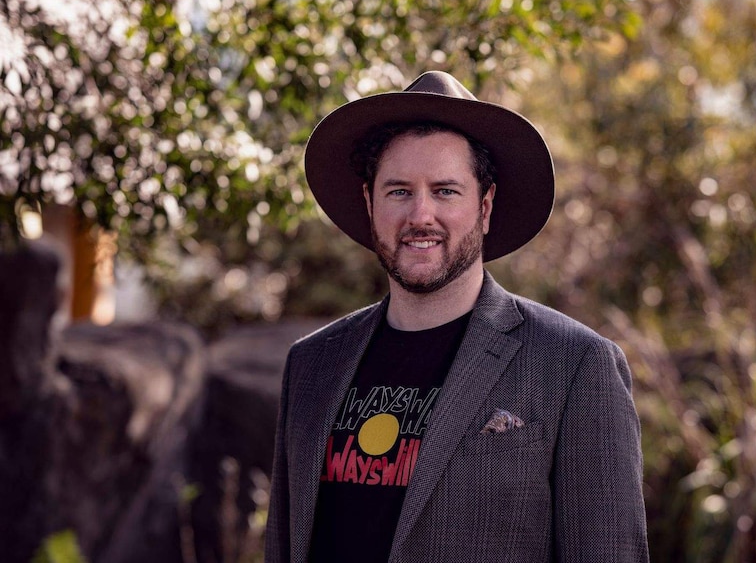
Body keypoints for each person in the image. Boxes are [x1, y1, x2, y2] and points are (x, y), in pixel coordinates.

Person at [265, 71, 649, 563]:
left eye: (445, 191)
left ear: (484, 207)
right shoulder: (311, 364)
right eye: (399, 191)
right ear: (369, 203)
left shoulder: (575, 366)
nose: (420, 215)